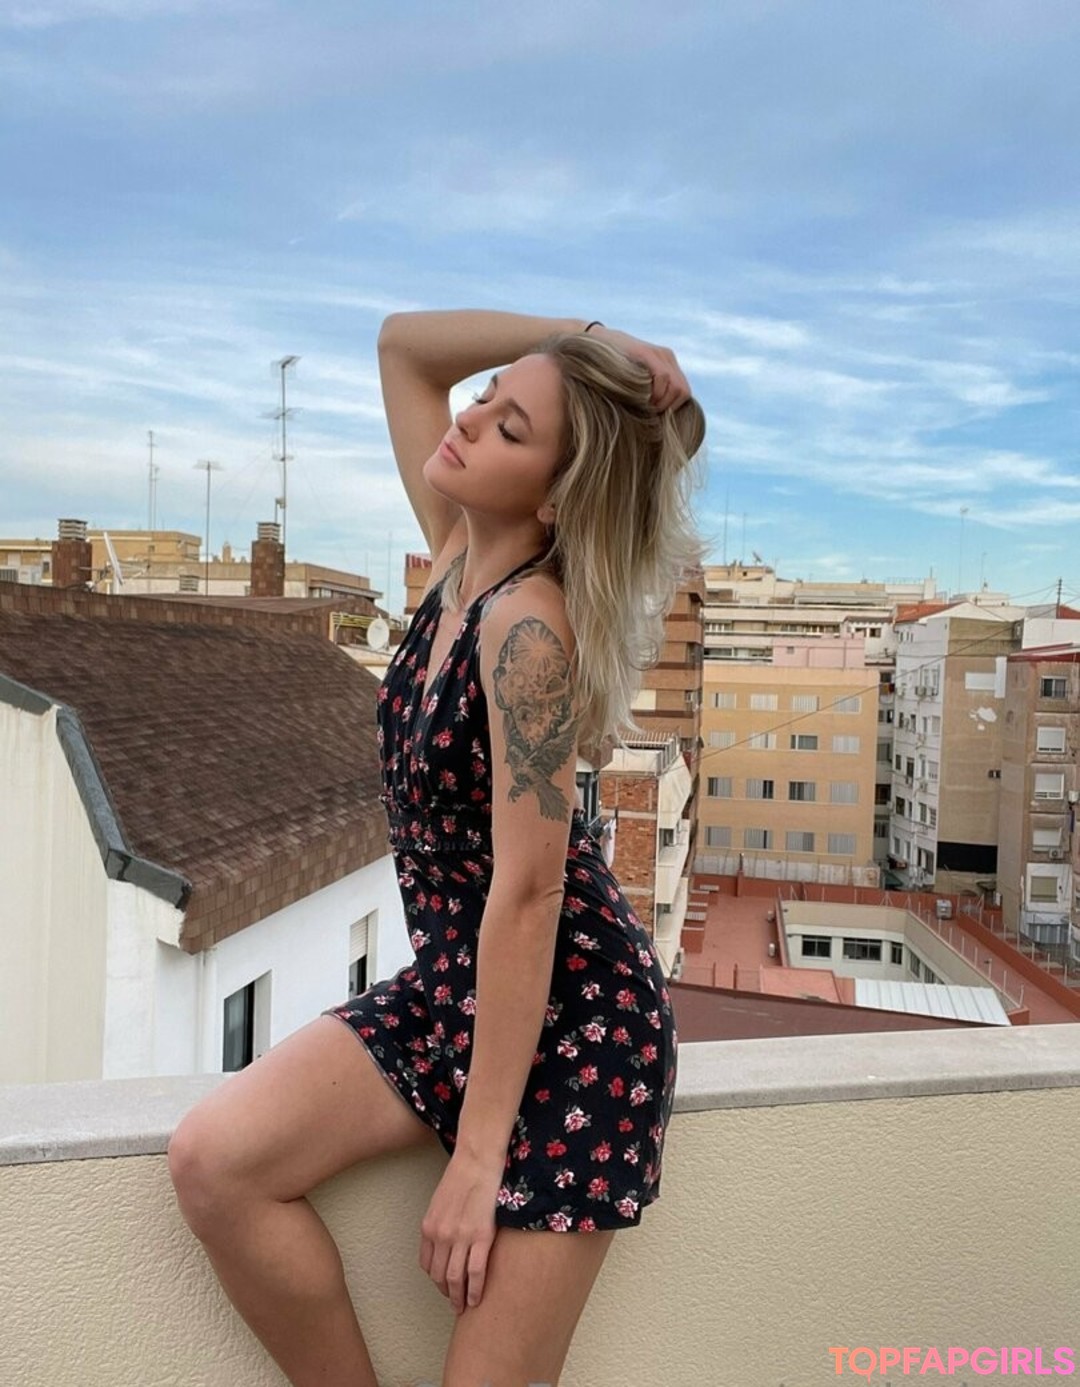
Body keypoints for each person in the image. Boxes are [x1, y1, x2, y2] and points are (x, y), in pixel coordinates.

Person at [168, 309, 705, 1387]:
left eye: (510, 428)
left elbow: (530, 896)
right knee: (215, 1161)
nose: (469, 419)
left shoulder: (529, 630)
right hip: (460, 988)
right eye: (489, 395)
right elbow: (404, 349)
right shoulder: (460, 559)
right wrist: (586, 338)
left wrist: (477, 1155)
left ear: (555, 497)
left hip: (581, 1028)